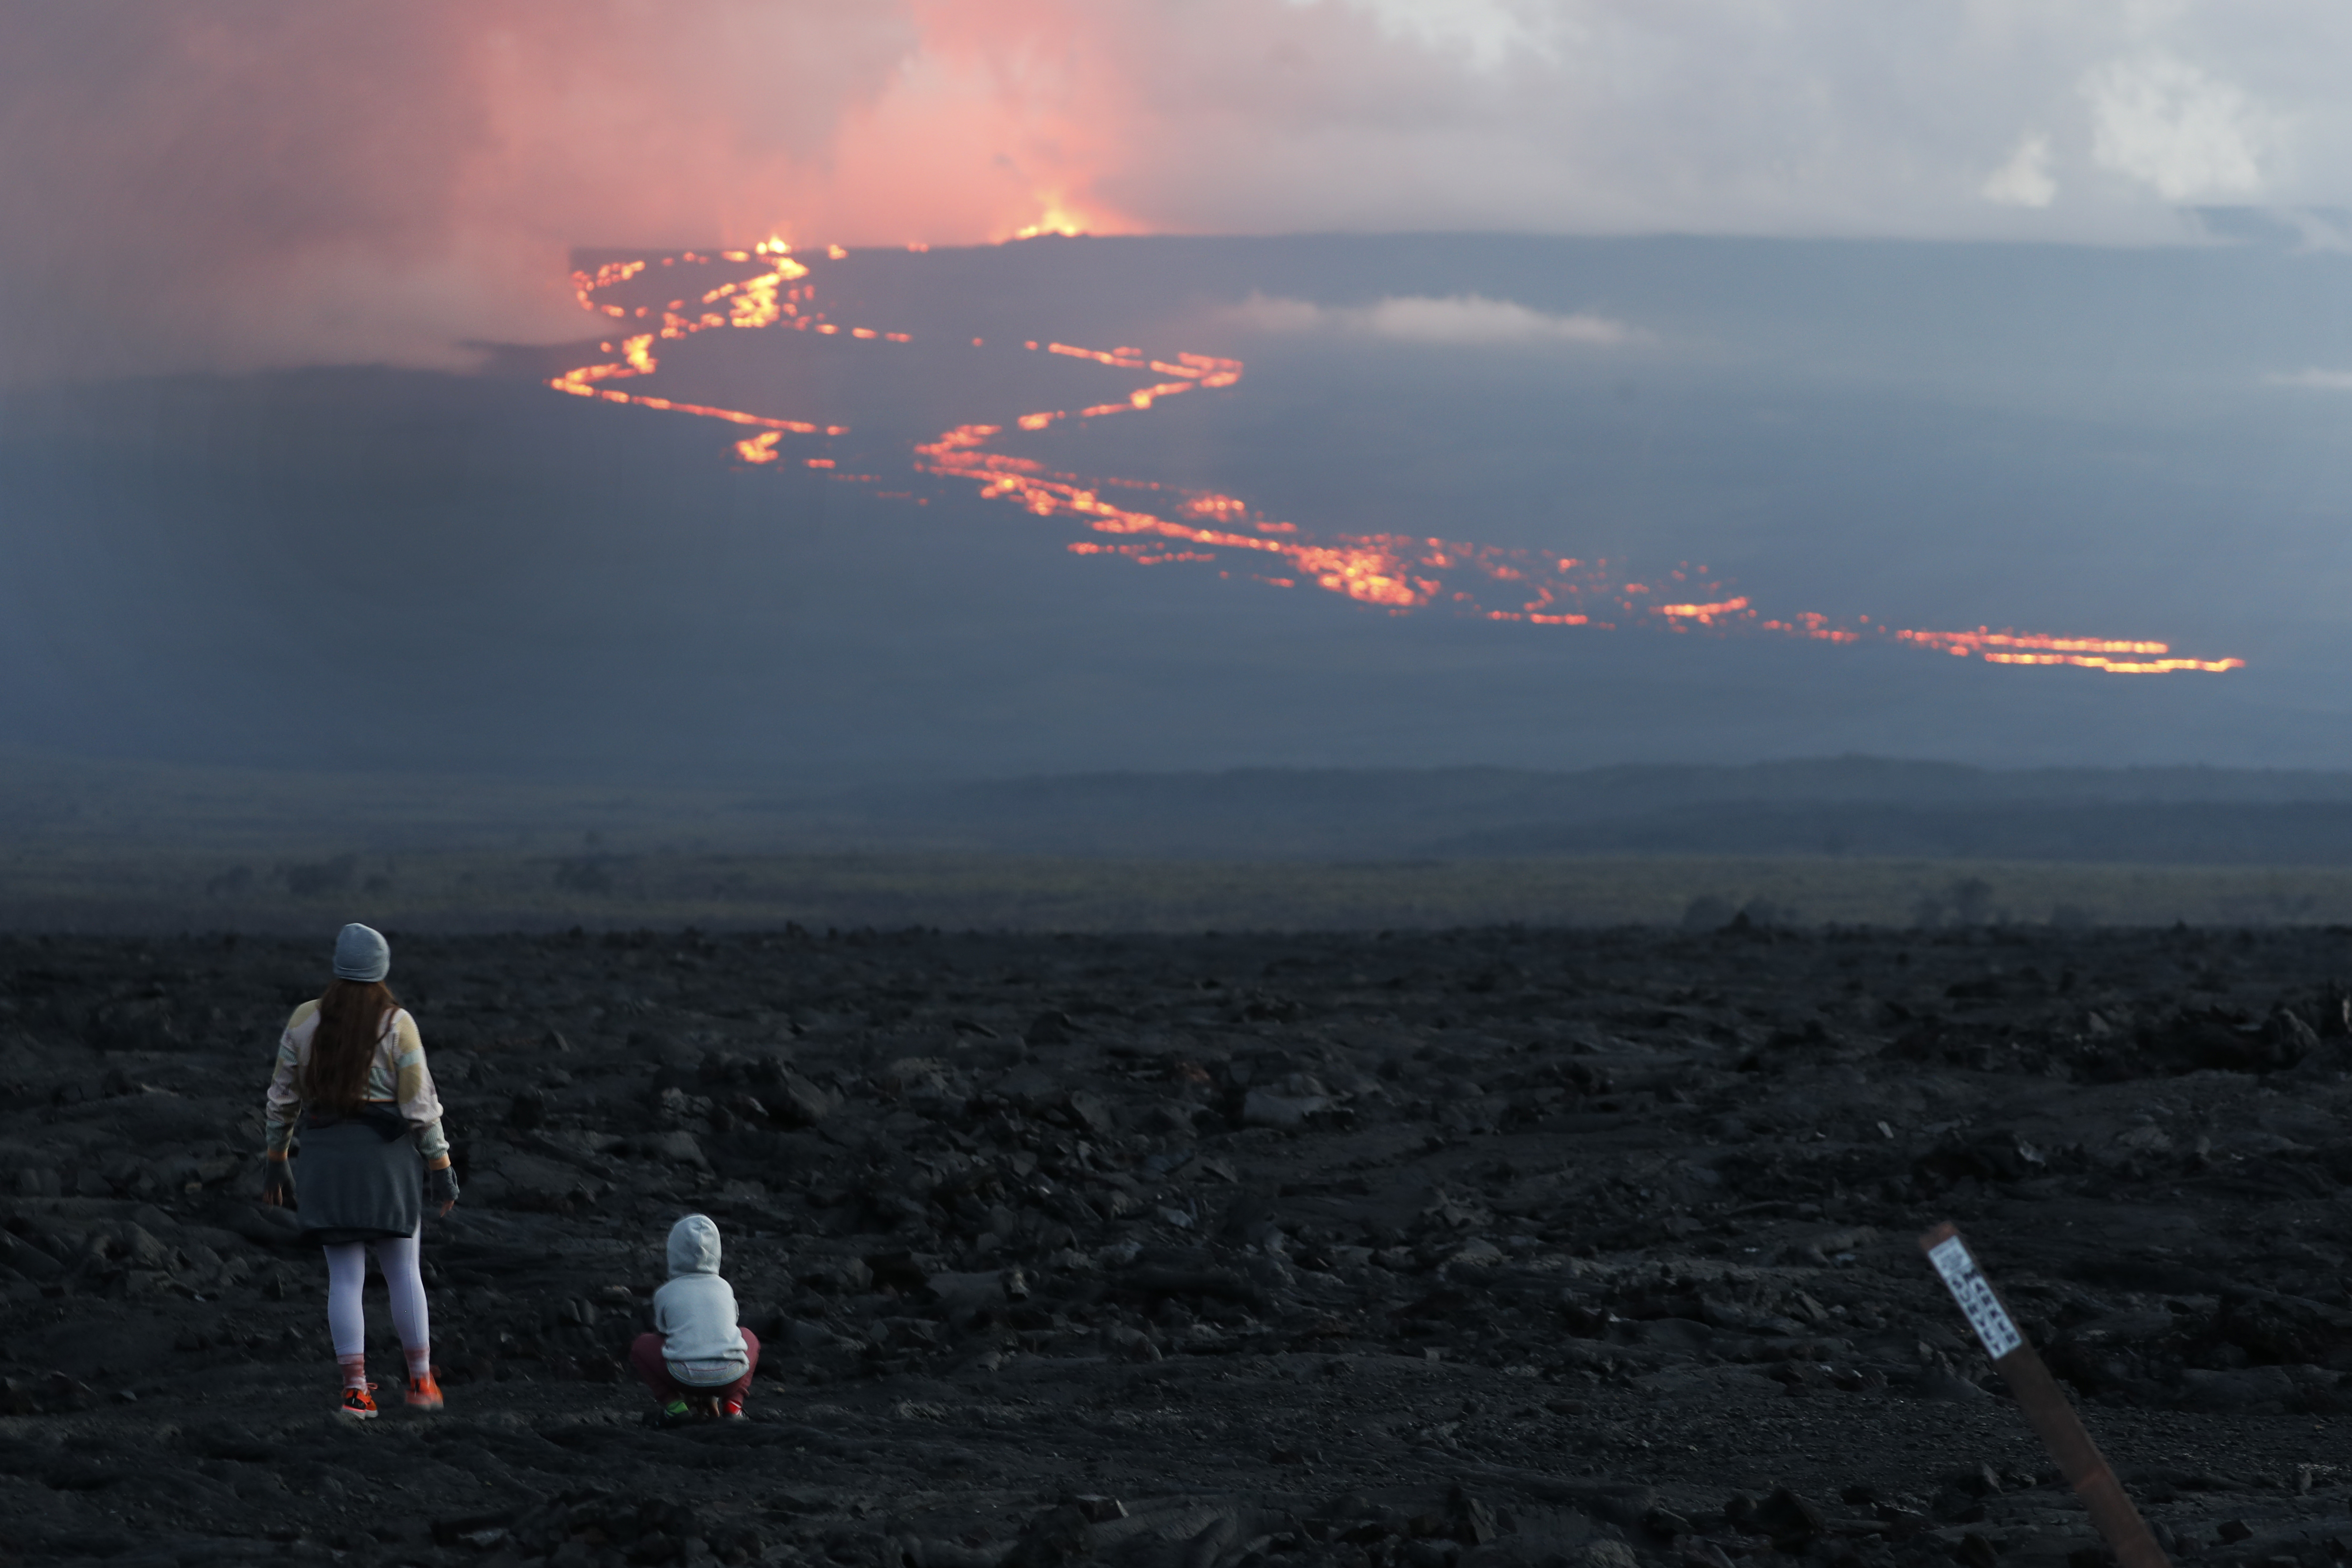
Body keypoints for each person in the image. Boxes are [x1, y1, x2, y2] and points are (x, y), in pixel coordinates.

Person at [260, 922, 460, 1418]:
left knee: (344, 1279)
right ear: (382, 969)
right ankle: (421, 1384)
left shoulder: (305, 1021)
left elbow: (282, 1101)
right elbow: (419, 1105)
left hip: (327, 1159)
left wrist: (277, 1160)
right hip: (386, 1163)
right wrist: (441, 1166)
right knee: (402, 1273)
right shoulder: (398, 1024)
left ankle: (356, 1392)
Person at [632, 1214, 759, 1421]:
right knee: (748, 1337)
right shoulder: (724, 1287)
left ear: (673, 1251)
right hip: (730, 1377)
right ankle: (734, 1407)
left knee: (641, 1345)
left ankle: (675, 1408)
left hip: (682, 1377)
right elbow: (727, 1331)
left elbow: (666, 1334)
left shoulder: (666, 1292)